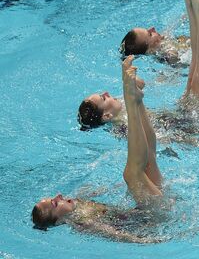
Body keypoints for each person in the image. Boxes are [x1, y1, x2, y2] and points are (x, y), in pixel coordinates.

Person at [31, 57, 165, 243]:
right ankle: (131, 99)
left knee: (148, 156)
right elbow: (115, 235)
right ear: (59, 220)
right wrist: (145, 241)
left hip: (150, 207)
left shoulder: (78, 204)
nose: (59, 196)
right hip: (153, 221)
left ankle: (137, 100)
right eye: (54, 203)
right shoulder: (81, 223)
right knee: (132, 174)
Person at [78, 0, 199, 138]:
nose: (107, 93)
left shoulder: (123, 112)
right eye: (103, 98)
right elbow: (160, 140)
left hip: (181, 116)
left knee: (195, 73)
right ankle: (196, 6)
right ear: (107, 116)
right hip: (195, 126)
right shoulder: (125, 129)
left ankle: (193, 3)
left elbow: (142, 87)